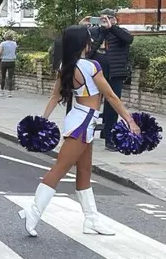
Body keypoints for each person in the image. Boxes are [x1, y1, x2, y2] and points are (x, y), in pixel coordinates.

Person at [18, 25, 140, 237]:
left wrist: (42, 121)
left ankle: (91, 220)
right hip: (84, 121)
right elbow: (110, 96)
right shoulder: (91, 66)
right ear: (84, 43)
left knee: (84, 172)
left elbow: (54, 96)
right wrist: (129, 119)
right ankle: (33, 211)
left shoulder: (66, 66)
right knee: (59, 169)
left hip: (79, 117)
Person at [95, 9, 133, 151]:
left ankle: (110, 137)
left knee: (112, 106)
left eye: (108, 18)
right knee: (94, 104)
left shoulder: (120, 31)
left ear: (114, 19)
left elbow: (128, 40)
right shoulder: (98, 32)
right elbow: (91, 49)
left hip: (116, 74)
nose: (105, 21)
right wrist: (102, 32)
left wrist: (113, 28)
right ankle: (101, 132)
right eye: (102, 19)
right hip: (98, 74)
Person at [0, 31, 18, 97]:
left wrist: (1, 54)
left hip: (4, 61)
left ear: (5, 36)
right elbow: (15, 51)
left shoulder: (3, 43)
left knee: (3, 77)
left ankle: (1, 91)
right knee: (10, 77)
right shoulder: (14, 43)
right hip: (12, 61)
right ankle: (9, 92)